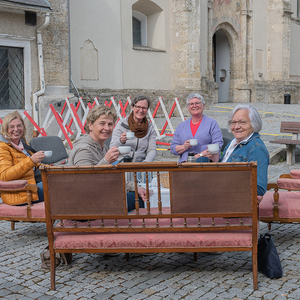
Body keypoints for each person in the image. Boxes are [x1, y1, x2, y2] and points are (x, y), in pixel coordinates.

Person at [68, 105, 147, 212]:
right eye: (102, 123)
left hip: (97, 198)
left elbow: (110, 179)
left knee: (138, 194)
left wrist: (135, 187)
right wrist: (106, 161)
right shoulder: (83, 149)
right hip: (84, 206)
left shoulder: (102, 147)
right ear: (90, 125)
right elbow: (84, 182)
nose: (107, 128)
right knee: (136, 199)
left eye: (110, 124)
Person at [220, 104, 269, 196]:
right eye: (233, 122)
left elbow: (259, 188)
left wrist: (225, 182)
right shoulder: (234, 141)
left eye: (242, 122)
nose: (236, 127)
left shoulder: (257, 148)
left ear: (254, 124)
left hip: (234, 200)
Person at [0, 111, 45, 205]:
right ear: (5, 129)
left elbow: (36, 166)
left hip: (32, 184)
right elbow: (4, 176)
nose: (16, 129)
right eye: (11, 127)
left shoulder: (22, 143)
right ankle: (74, 218)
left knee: (62, 179)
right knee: (59, 186)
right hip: (20, 193)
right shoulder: (3, 147)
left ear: (23, 127)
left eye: (19, 126)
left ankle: (72, 217)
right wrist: (31, 160)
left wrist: (58, 171)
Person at [170, 93, 223, 163]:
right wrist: (184, 146)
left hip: (205, 162)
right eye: (191, 104)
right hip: (184, 164)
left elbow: (218, 145)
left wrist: (196, 157)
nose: (194, 106)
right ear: (188, 108)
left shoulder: (212, 123)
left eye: (197, 103)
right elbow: (173, 148)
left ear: (203, 106)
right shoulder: (181, 126)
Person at [110, 95, 156, 162]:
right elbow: (111, 147)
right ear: (132, 107)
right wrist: (120, 141)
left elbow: (152, 149)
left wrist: (146, 163)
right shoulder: (122, 124)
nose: (141, 110)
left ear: (147, 109)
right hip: (121, 162)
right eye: (138, 107)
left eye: (144, 108)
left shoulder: (149, 126)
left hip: (141, 163)